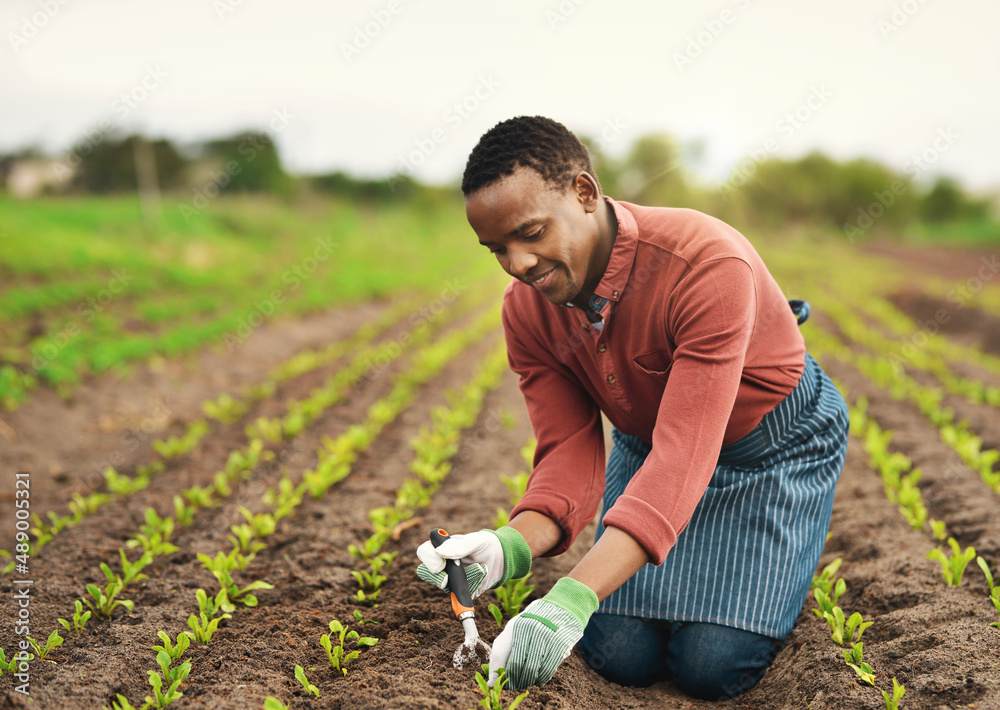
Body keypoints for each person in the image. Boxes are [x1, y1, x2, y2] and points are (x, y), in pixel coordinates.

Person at [415, 116, 849, 701]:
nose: (518, 264)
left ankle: (771, 568)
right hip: (653, 451)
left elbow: (684, 456)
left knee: (710, 665)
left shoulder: (704, 264)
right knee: (621, 653)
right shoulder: (527, 311)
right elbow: (568, 453)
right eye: (498, 249)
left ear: (585, 193)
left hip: (767, 453)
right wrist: (506, 547)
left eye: (532, 232)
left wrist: (568, 598)